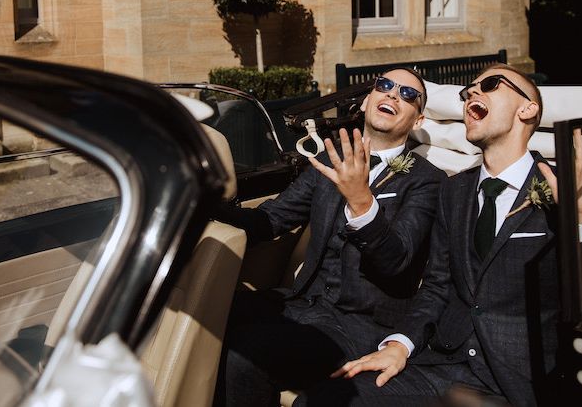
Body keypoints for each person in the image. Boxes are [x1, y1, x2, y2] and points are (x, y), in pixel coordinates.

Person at [300, 64, 557, 407]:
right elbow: (437, 286)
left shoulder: (564, 188)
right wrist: (400, 344)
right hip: (443, 364)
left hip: (521, 380)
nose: (472, 94)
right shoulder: (455, 191)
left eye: (491, 85)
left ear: (528, 108)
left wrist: (580, 223)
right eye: (468, 91)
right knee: (324, 401)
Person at [213, 68, 447, 407]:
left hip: (359, 325)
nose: (393, 95)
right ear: (368, 101)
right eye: (385, 85)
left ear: (416, 120)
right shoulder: (329, 160)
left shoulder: (427, 181)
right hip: (302, 303)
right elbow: (270, 220)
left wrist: (360, 199)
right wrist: (205, 203)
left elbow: (397, 260)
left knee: (247, 355)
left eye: (408, 95)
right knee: (209, 311)